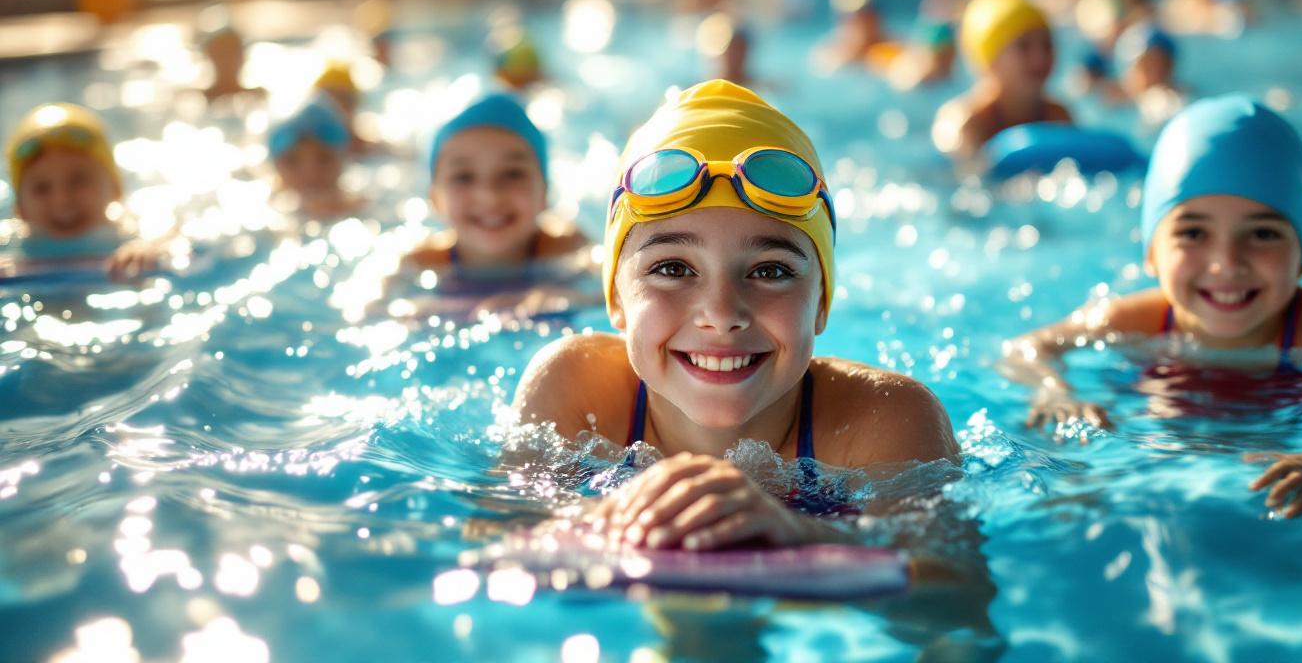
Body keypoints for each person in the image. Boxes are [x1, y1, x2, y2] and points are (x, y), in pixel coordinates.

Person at [512, 80, 962, 550]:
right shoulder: (575, 394)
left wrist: (802, 534)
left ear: (821, 303)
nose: (722, 314)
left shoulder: (884, 422)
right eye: (673, 269)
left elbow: (948, 584)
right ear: (617, 301)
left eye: (770, 271)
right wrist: (613, 518)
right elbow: (499, 541)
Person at [999, 95, 1302, 521]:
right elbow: (1026, 348)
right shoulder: (1137, 319)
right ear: (1152, 254)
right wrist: (1054, 390)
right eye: (1193, 233)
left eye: (1263, 234)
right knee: (1066, 494)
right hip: (1160, 440)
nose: (1226, 264)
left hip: (1271, 456)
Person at [406, 93, 587, 271]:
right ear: (434, 198)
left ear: (545, 192)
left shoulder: (573, 254)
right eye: (464, 177)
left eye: (512, 174)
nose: (489, 195)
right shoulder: (419, 265)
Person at [5, 103, 166, 278]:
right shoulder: (10, 238)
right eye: (41, 188)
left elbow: (168, 236)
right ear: (19, 207)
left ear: (114, 187)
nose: (62, 200)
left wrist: (145, 247)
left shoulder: (127, 229)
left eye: (78, 181)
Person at [932, 0, 1072, 171]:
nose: (1040, 58)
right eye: (1023, 46)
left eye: (1047, 45)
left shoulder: (1057, 116)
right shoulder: (964, 122)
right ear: (991, 59)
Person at [268, 97, 362, 219]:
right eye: (291, 160)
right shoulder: (266, 211)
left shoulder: (360, 209)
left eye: (323, 158)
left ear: (342, 160)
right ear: (274, 165)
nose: (311, 172)